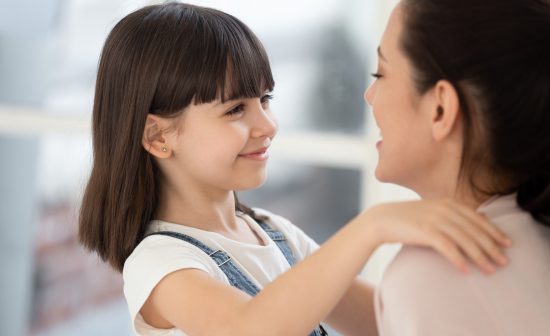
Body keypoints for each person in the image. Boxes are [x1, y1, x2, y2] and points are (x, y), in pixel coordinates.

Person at [79, 3, 511, 336]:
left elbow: (387, 322)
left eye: (265, 100)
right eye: (235, 110)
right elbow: (252, 328)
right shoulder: (161, 263)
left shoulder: (277, 236)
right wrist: (374, 226)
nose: (267, 125)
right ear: (157, 137)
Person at [365, 0, 550, 334]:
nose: (369, 94)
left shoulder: (434, 273)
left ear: (440, 109)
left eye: (381, 73)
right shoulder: (532, 231)